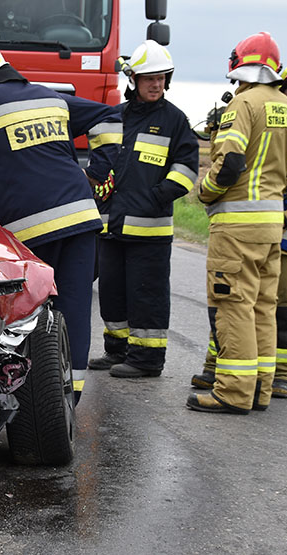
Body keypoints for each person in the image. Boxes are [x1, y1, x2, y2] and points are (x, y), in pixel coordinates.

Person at [0, 39, 122, 403]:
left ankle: (22, 399)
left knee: (23, 316)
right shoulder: (49, 97)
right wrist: (98, 171)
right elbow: (108, 116)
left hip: (31, 229)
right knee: (74, 310)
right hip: (82, 220)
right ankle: (69, 397)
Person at [192, 65, 287, 400]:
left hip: (268, 234)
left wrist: (206, 191)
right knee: (255, 308)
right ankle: (251, 382)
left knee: (242, 305)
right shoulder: (281, 120)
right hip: (271, 232)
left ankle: (248, 387)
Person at [186, 32, 287, 414]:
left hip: (237, 228)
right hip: (272, 227)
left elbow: (231, 163)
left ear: (239, 65)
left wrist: (205, 190)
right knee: (262, 307)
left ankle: (233, 393)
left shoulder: (242, 104)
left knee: (233, 305)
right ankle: (259, 390)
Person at [87, 40, 199, 378]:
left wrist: (156, 196)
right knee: (112, 293)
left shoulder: (175, 120)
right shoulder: (114, 117)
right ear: (133, 79)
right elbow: (99, 163)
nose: (157, 84)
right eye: (150, 78)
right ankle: (117, 350)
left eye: (162, 78)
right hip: (111, 226)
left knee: (146, 296)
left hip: (150, 231)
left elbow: (187, 169)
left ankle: (147, 359)